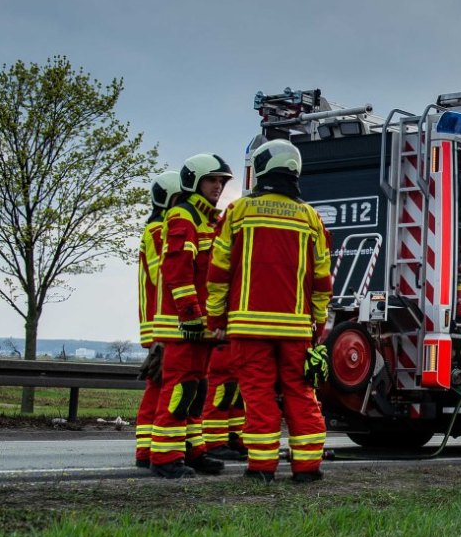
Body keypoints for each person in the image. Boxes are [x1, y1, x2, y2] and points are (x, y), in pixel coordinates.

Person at [207, 138, 332, 484]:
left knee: (258, 393)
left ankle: (261, 467)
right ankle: (307, 467)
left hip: (247, 326)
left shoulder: (238, 211)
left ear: (262, 168)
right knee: (300, 392)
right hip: (295, 329)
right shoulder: (311, 218)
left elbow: (218, 271)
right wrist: (317, 323)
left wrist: (216, 318)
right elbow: (323, 279)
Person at [149, 153, 235, 478]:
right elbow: (177, 272)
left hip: (202, 324)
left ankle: (192, 451)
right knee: (180, 388)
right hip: (185, 323)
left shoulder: (208, 220)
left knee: (197, 388)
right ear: (195, 181)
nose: (218, 186)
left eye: (222, 182)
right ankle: (164, 458)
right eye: (212, 180)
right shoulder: (182, 216)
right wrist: (190, 316)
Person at [133, 170, 182, 468]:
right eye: (177, 199)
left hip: (159, 321)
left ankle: (147, 449)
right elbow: (164, 277)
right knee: (161, 386)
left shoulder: (157, 228)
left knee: (160, 385)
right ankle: (147, 451)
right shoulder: (157, 231)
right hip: (162, 322)